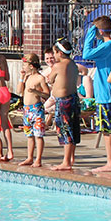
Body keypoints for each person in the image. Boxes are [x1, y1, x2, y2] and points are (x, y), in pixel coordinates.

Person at [82, 16, 111, 173]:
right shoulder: (108, 46)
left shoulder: (109, 45)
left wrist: (91, 32)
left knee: (107, 130)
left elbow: (86, 53)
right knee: (109, 129)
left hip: (106, 93)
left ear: (100, 30)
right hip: (104, 93)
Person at [47, 37, 80, 171]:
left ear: (60, 53)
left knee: (65, 131)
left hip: (63, 102)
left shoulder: (58, 65)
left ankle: (66, 161)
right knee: (72, 129)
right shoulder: (73, 64)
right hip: (73, 99)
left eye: (54, 53)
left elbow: (51, 79)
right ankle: (71, 158)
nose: (53, 57)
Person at [18, 52, 49, 167]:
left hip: (36, 110)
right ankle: (29, 157)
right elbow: (19, 91)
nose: (23, 68)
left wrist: (36, 92)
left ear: (31, 66)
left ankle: (38, 159)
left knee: (38, 135)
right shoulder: (27, 77)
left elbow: (47, 94)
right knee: (29, 135)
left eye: (24, 65)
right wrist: (21, 78)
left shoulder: (40, 78)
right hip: (26, 110)